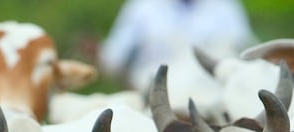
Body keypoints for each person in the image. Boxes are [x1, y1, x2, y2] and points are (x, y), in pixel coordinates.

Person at [99, 0, 255, 93]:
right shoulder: (142, 6)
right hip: (156, 96)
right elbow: (113, 57)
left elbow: (246, 52)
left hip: (213, 95)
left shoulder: (224, 6)